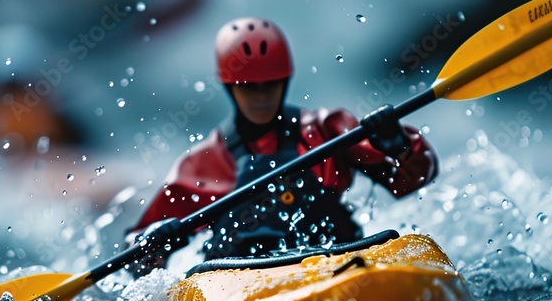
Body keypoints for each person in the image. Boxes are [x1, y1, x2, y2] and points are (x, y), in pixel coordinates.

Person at [127, 17, 438, 274]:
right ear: (230, 87)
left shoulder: (328, 130)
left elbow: (409, 181)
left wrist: (398, 144)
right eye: (250, 88)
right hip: (239, 284)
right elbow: (137, 258)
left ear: (286, 81)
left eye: (271, 85)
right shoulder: (203, 163)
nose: (262, 97)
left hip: (335, 263)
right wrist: (155, 242)